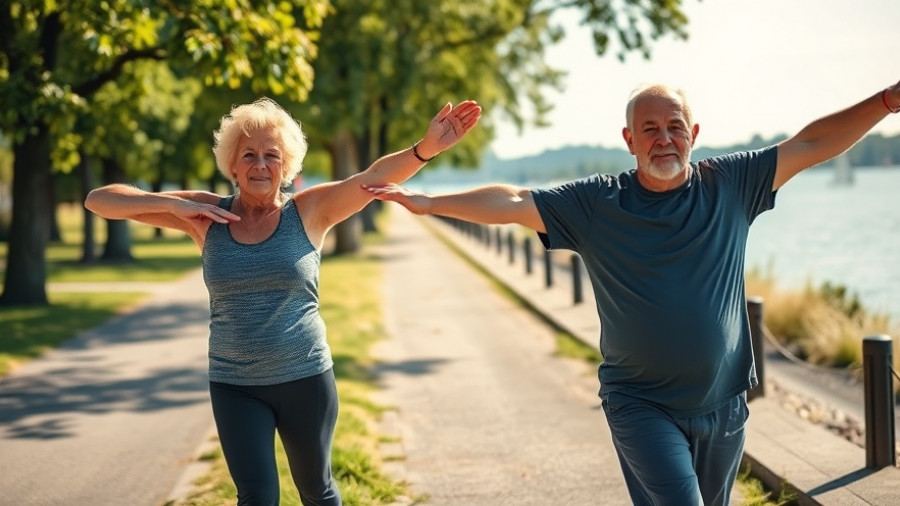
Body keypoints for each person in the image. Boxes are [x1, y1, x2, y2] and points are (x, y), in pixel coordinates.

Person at [363, 81, 900, 505]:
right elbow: (513, 199)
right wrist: (431, 202)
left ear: (693, 132)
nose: (663, 138)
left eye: (673, 126)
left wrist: (885, 102)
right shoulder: (599, 204)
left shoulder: (732, 184)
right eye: (649, 129)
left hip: (725, 404)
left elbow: (810, 143)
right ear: (629, 140)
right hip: (640, 405)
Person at [84, 96, 481, 506]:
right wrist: (171, 205)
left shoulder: (309, 211)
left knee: (317, 491)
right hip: (235, 385)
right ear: (232, 165)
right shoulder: (204, 214)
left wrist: (425, 148)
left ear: (286, 164)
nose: (260, 165)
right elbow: (99, 199)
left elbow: (374, 175)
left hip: (305, 378)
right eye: (249, 155)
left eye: (271, 155)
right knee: (256, 497)